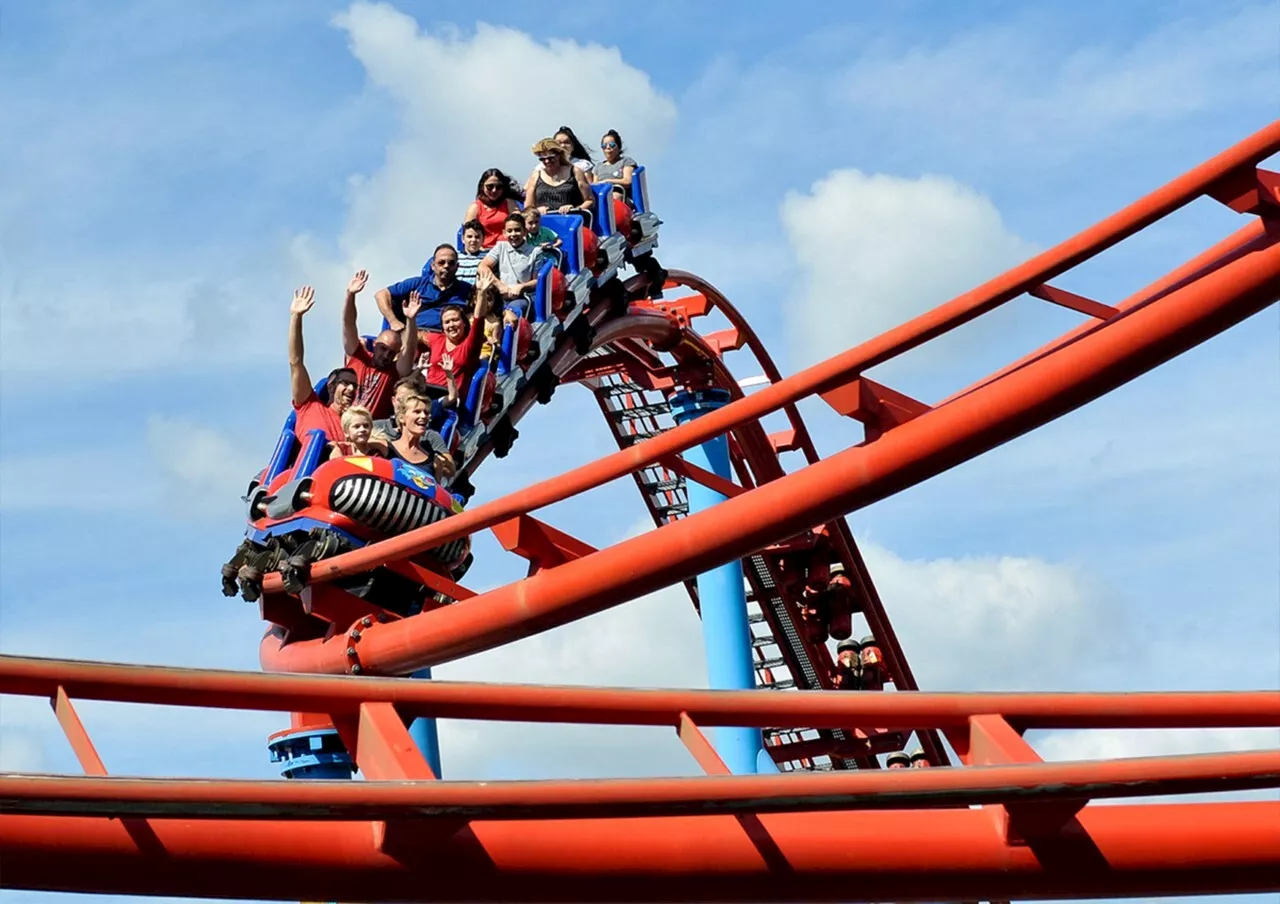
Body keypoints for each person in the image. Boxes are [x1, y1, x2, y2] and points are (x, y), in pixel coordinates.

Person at [287, 284, 356, 442]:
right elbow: (295, 361)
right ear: (331, 385)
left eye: (355, 386)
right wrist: (296, 317)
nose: (351, 389)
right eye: (345, 383)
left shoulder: (354, 427)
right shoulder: (309, 405)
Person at [339, 269, 401, 419]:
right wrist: (350, 295)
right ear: (375, 345)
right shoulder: (359, 355)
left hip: (367, 430)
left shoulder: (392, 372)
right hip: (342, 419)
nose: (386, 355)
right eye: (383, 349)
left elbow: (409, 351)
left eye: (391, 353)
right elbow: (349, 324)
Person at [375, 244, 474, 332]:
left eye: (451, 263)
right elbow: (381, 294)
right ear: (433, 266)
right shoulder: (417, 283)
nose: (446, 266)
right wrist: (393, 321)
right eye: (441, 262)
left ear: (457, 267)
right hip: (415, 336)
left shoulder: (467, 290)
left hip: (448, 338)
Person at [399, 296, 480, 401]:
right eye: (447, 322)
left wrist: (481, 293)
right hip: (427, 393)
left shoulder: (469, 344)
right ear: (442, 327)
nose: (451, 325)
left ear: (464, 323)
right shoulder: (437, 339)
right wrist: (411, 319)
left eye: (455, 320)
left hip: (451, 397)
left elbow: (479, 320)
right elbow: (414, 336)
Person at [479, 213, 549, 317]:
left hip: (522, 297)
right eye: (509, 231)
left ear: (524, 231)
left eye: (517, 230)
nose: (513, 234)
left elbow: (537, 280)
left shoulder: (535, 252)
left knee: (512, 312)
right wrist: (500, 286)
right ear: (504, 233)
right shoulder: (500, 247)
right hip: (501, 296)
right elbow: (483, 266)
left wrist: (521, 287)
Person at [387, 387, 457, 484]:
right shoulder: (385, 448)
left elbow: (434, 495)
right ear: (402, 418)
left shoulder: (435, 463)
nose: (424, 416)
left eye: (426, 413)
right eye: (417, 412)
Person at [525, 138, 593, 217]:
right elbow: (528, 207)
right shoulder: (536, 175)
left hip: (570, 220)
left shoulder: (575, 171)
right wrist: (537, 210)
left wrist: (574, 209)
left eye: (551, 158)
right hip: (544, 223)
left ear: (559, 155)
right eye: (543, 159)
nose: (547, 161)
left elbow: (590, 201)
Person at [464, 168, 523, 249]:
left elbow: (520, 224)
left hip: (508, 249)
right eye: (490, 186)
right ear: (482, 186)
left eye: (499, 187)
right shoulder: (475, 207)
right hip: (483, 250)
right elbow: (467, 233)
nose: (494, 190)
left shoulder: (509, 203)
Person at [594, 129, 637, 198]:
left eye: (612, 145)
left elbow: (627, 181)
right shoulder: (598, 167)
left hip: (620, 195)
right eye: (604, 146)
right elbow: (595, 185)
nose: (608, 147)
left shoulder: (626, 161)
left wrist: (608, 181)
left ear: (618, 147)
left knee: (614, 197)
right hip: (602, 196)